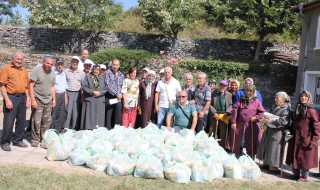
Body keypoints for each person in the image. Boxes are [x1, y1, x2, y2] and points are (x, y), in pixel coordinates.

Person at [285, 90, 320, 182]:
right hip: (296, 137)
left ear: (309, 98)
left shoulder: (312, 111)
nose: (303, 98)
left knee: (305, 158)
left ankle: (304, 176)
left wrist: (314, 140)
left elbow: (317, 127)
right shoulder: (297, 108)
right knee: (295, 155)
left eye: (305, 96)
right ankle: (296, 173)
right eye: (302, 96)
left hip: (306, 138)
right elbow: (293, 121)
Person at [0, 52, 30, 151]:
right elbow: (2, 86)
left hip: (22, 97)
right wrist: (7, 99)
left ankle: (18, 140)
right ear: (12, 58)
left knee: (21, 121)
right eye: (17, 59)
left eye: (21, 59)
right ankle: (5, 142)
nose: (19, 61)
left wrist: (28, 99)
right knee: (9, 121)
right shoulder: (6, 69)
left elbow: (26, 87)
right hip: (11, 97)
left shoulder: (24, 71)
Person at [226, 84, 265, 159]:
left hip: (251, 126)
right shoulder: (240, 100)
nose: (249, 92)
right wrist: (233, 122)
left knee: (251, 143)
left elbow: (262, 112)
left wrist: (256, 117)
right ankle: (238, 158)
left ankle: (250, 160)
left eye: (251, 91)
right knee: (238, 142)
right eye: (247, 90)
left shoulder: (256, 101)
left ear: (253, 92)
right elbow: (235, 110)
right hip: (240, 124)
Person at [256, 92, 292, 172]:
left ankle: (274, 167)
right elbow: (269, 115)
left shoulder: (286, 109)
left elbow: (284, 121)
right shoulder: (276, 107)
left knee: (274, 149)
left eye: (277, 98)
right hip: (270, 130)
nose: (275, 99)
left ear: (283, 99)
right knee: (267, 146)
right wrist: (266, 123)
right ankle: (266, 164)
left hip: (278, 132)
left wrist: (271, 121)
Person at [29, 56, 56, 147]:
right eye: (48, 63)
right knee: (36, 120)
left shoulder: (52, 73)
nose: (49, 65)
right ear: (43, 62)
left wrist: (54, 99)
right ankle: (35, 138)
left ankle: (43, 137)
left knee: (47, 121)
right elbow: (31, 85)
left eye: (51, 64)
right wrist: (32, 100)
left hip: (48, 100)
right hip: (38, 99)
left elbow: (52, 86)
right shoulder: (36, 71)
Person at [80, 64, 107, 130]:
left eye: (97, 70)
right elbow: (85, 87)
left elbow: (106, 88)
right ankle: (88, 128)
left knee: (99, 115)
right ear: (92, 69)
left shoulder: (102, 78)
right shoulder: (88, 77)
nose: (96, 71)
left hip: (100, 99)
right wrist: (93, 92)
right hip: (90, 98)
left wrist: (100, 93)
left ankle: (99, 128)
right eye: (95, 70)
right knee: (90, 115)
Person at [207, 80, 232, 148]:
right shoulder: (213, 93)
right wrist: (214, 113)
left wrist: (227, 113)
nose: (222, 87)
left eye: (224, 86)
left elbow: (230, 105)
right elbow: (209, 104)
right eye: (221, 85)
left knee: (223, 134)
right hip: (214, 115)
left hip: (224, 116)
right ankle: (211, 148)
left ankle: (222, 148)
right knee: (212, 132)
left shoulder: (229, 95)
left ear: (226, 87)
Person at [64, 56, 85, 130]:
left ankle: (74, 128)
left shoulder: (81, 73)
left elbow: (83, 85)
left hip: (77, 93)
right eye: (73, 61)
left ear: (78, 63)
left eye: (76, 62)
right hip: (68, 92)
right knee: (68, 111)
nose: (74, 63)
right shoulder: (66, 71)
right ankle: (66, 127)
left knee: (75, 112)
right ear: (71, 62)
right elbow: (64, 83)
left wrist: (82, 95)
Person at [105, 59, 124, 130]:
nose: (115, 66)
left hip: (118, 98)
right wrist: (117, 94)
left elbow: (122, 86)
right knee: (109, 114)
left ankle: (116, 129)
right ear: (111, 65)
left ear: (119, 66)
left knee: (118, 114)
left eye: (117, 65)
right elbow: (107, 85)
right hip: (110, 96)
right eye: (114, 64)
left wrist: (121, 94)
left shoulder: (121, 75)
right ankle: (108, 129)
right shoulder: (107, 73)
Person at [50, 57, 68, 133]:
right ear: (55, 64)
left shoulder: (63, 74)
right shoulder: (52, 73)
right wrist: (53, 98)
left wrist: (65, 97)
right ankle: (51, 130)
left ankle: (57, 130)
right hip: (55, 95)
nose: (60, 66)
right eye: (58, 64)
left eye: (61, 64)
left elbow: (65, 87)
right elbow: (51, 86)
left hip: (62, 95)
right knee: (53, 114)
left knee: (61, 114)